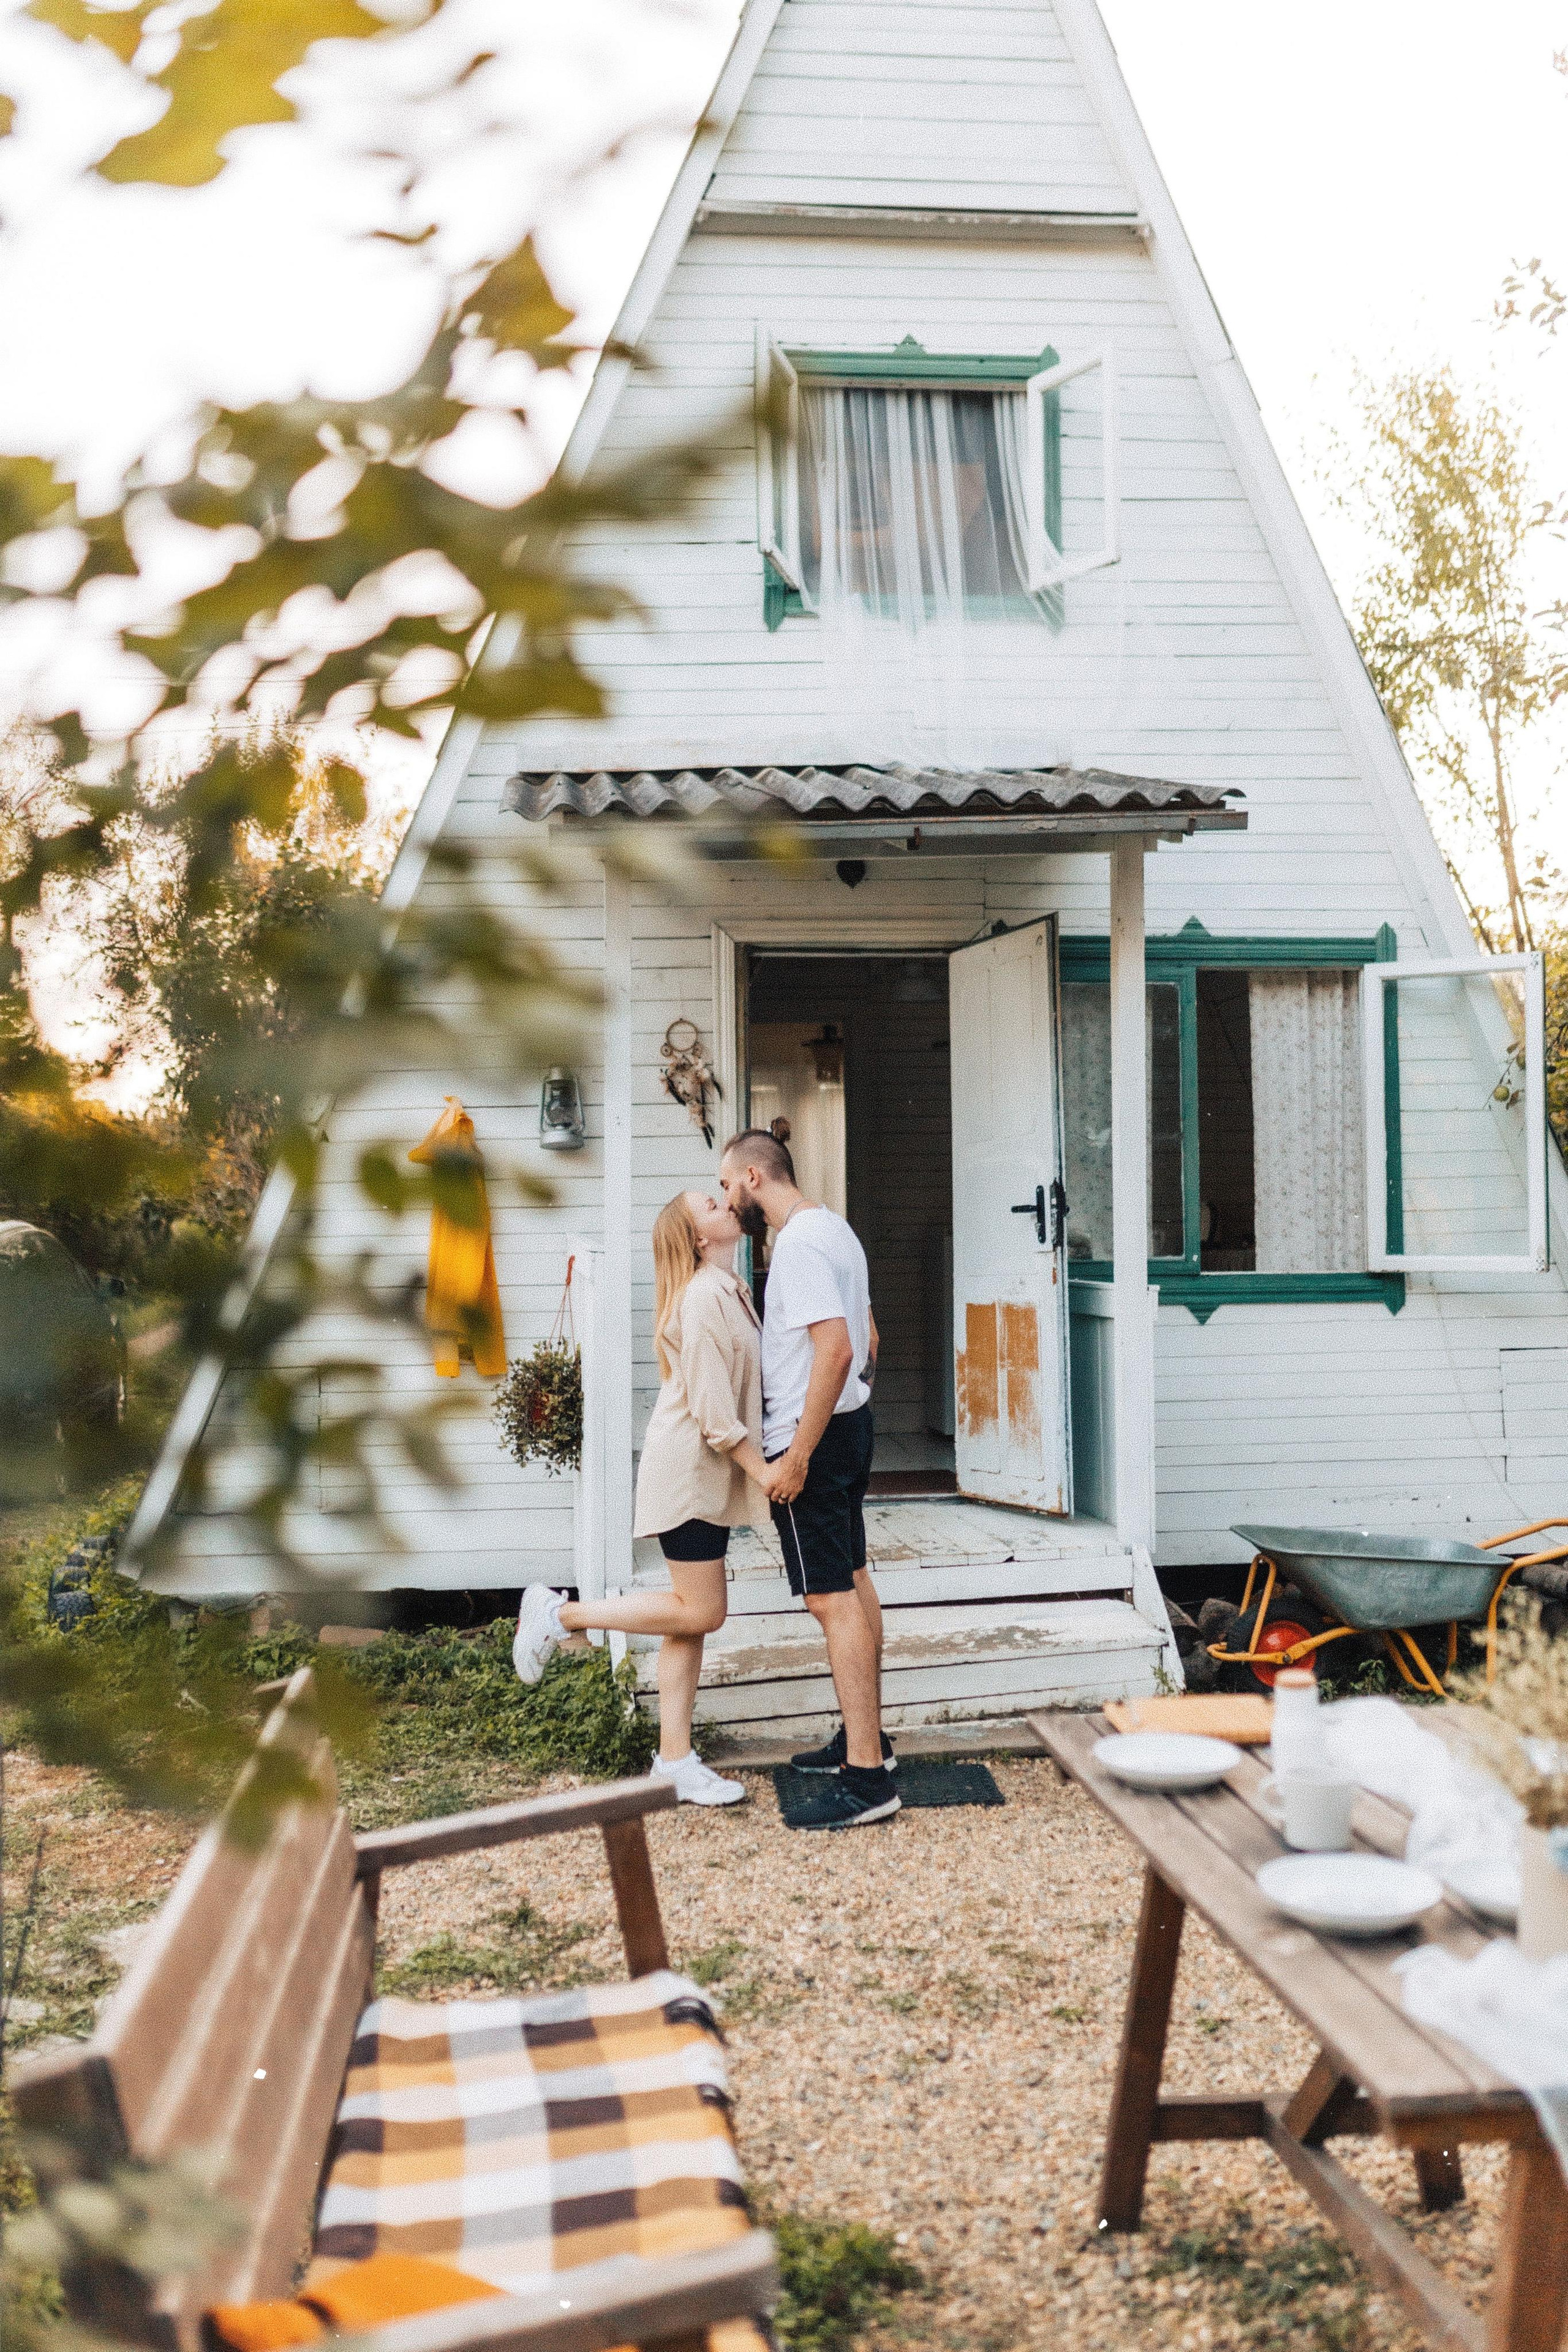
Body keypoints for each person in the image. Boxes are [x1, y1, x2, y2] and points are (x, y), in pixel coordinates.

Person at [511, 1189, 775, 1806]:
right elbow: (714, 1414)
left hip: (702, 1474)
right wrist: (764, 1472)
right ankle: (558, 1615)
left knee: (690, 1619)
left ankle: (675, 1760)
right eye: (710, 1204)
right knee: (702, 1613)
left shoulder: (725, 1287)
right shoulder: (704, 1298)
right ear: (696, 1237)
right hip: (687, 1472)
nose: (724, 1203)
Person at [718, 1127, 899, 1831]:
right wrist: (849, 1412)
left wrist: (796, 1454)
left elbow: (839, 1347)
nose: (727, 1196)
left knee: (830, 1599)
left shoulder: (794, 1247)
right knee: (852, 1581)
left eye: (728, 1182)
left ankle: (866, 1780)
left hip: (813, 1441)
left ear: (755, 1178)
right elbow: (870, 1340)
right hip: (849, 1428)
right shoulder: (835, 1230)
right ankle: (870, 1744)